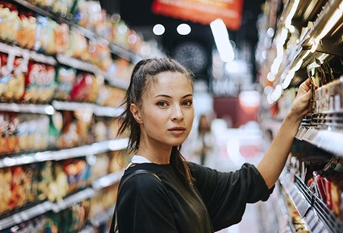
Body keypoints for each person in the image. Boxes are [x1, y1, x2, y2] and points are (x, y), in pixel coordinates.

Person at [110, 57, 313, 233]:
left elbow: (254, 183)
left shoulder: (181, 172)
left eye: (186, 102)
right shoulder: (143, 186)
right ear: (137, 113)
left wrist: (294, 116)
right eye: (163, 103)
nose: (178, 115)